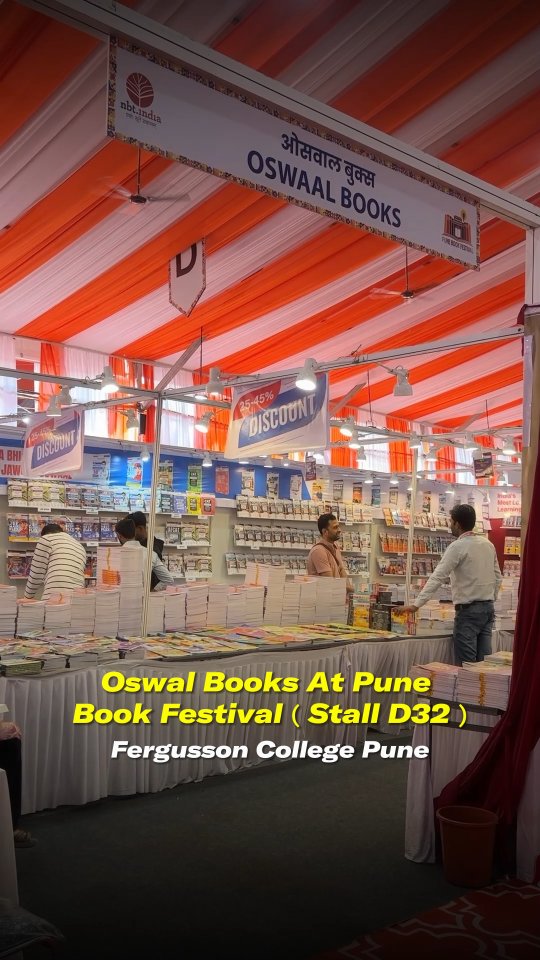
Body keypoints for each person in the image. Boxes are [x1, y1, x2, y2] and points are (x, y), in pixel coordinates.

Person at [402, 504, 503, 664]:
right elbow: (498, 577)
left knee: (466, 665)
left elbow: (438, 577)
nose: (450, 525)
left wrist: (416, 605)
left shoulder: (457, 546)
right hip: (487, 609)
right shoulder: (488, 545)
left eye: (451, 521)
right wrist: (490, 598)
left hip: (468, 612)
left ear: (457, 524)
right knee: (484, 665)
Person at [24, 523, 87, 600]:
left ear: (44, 534)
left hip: (55, 596)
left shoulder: (46, 539)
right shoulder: (80, 546)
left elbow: (36, 573)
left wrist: (27, 597)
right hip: (78, 598)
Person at [115, 518, 173, 590]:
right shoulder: (151, 554)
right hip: (143, 595)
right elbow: (168, 580)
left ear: (119, 535)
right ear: (134, 533)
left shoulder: (114, 555)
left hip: (119, 596)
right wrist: (153, 591)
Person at [306, 513, 354, 596]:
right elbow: (329, 582)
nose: (339, 530)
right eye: (335, 527)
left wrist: (349, 588)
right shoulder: (319, 551)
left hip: (335, 597)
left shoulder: (335, 546)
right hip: (323, 599)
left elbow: (341, 570)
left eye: (338, 526)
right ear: (325, 532)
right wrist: (351, 589)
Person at [127, 511, 165, 591]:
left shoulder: (152, 549)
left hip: (146, 594)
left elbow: (155, 579)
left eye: (131, 530)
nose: (129, 534)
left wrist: (152, 592)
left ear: (140, 528)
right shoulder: (140, 544)